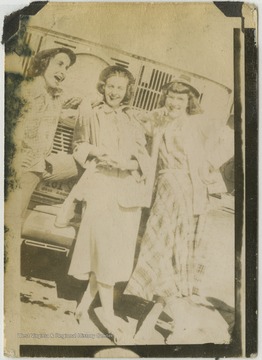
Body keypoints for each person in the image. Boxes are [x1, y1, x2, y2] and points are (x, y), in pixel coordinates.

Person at [124, 75, 225, 335]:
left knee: (173, 251)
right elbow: (136, 119)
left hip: (188, 190)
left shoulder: (198, 122)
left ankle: (166, 319)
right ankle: (165, 317)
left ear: (189, 100)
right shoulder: (159, 118)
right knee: (158, 247)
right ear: (165, 97)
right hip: (163, 187)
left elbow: (225, 143)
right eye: (171, 96)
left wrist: (208, 168)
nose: (175, 102)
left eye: (181, 98)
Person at [66, 65, 150, 343]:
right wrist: (97, 152)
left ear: (128, 92)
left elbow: (143, 155)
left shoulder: (132, 119)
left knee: (113, 252)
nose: (115, 92)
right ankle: (110, 319)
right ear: (103, 86)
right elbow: (78, 145)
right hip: (101, 185)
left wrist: (128, 163)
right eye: (111, 86)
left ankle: (82, 309)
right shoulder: (92, 112)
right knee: (102, 248)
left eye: (120, 88)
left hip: (127, 191)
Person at [14, 47, 80, 217]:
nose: (63, 72)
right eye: (59, 64)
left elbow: (68, 105)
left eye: (66, 68)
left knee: (83, 163)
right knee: (12, 220)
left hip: (40, 164)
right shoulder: (27, 89)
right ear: (44, 63)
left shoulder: (54, 96)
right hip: (24, 165)